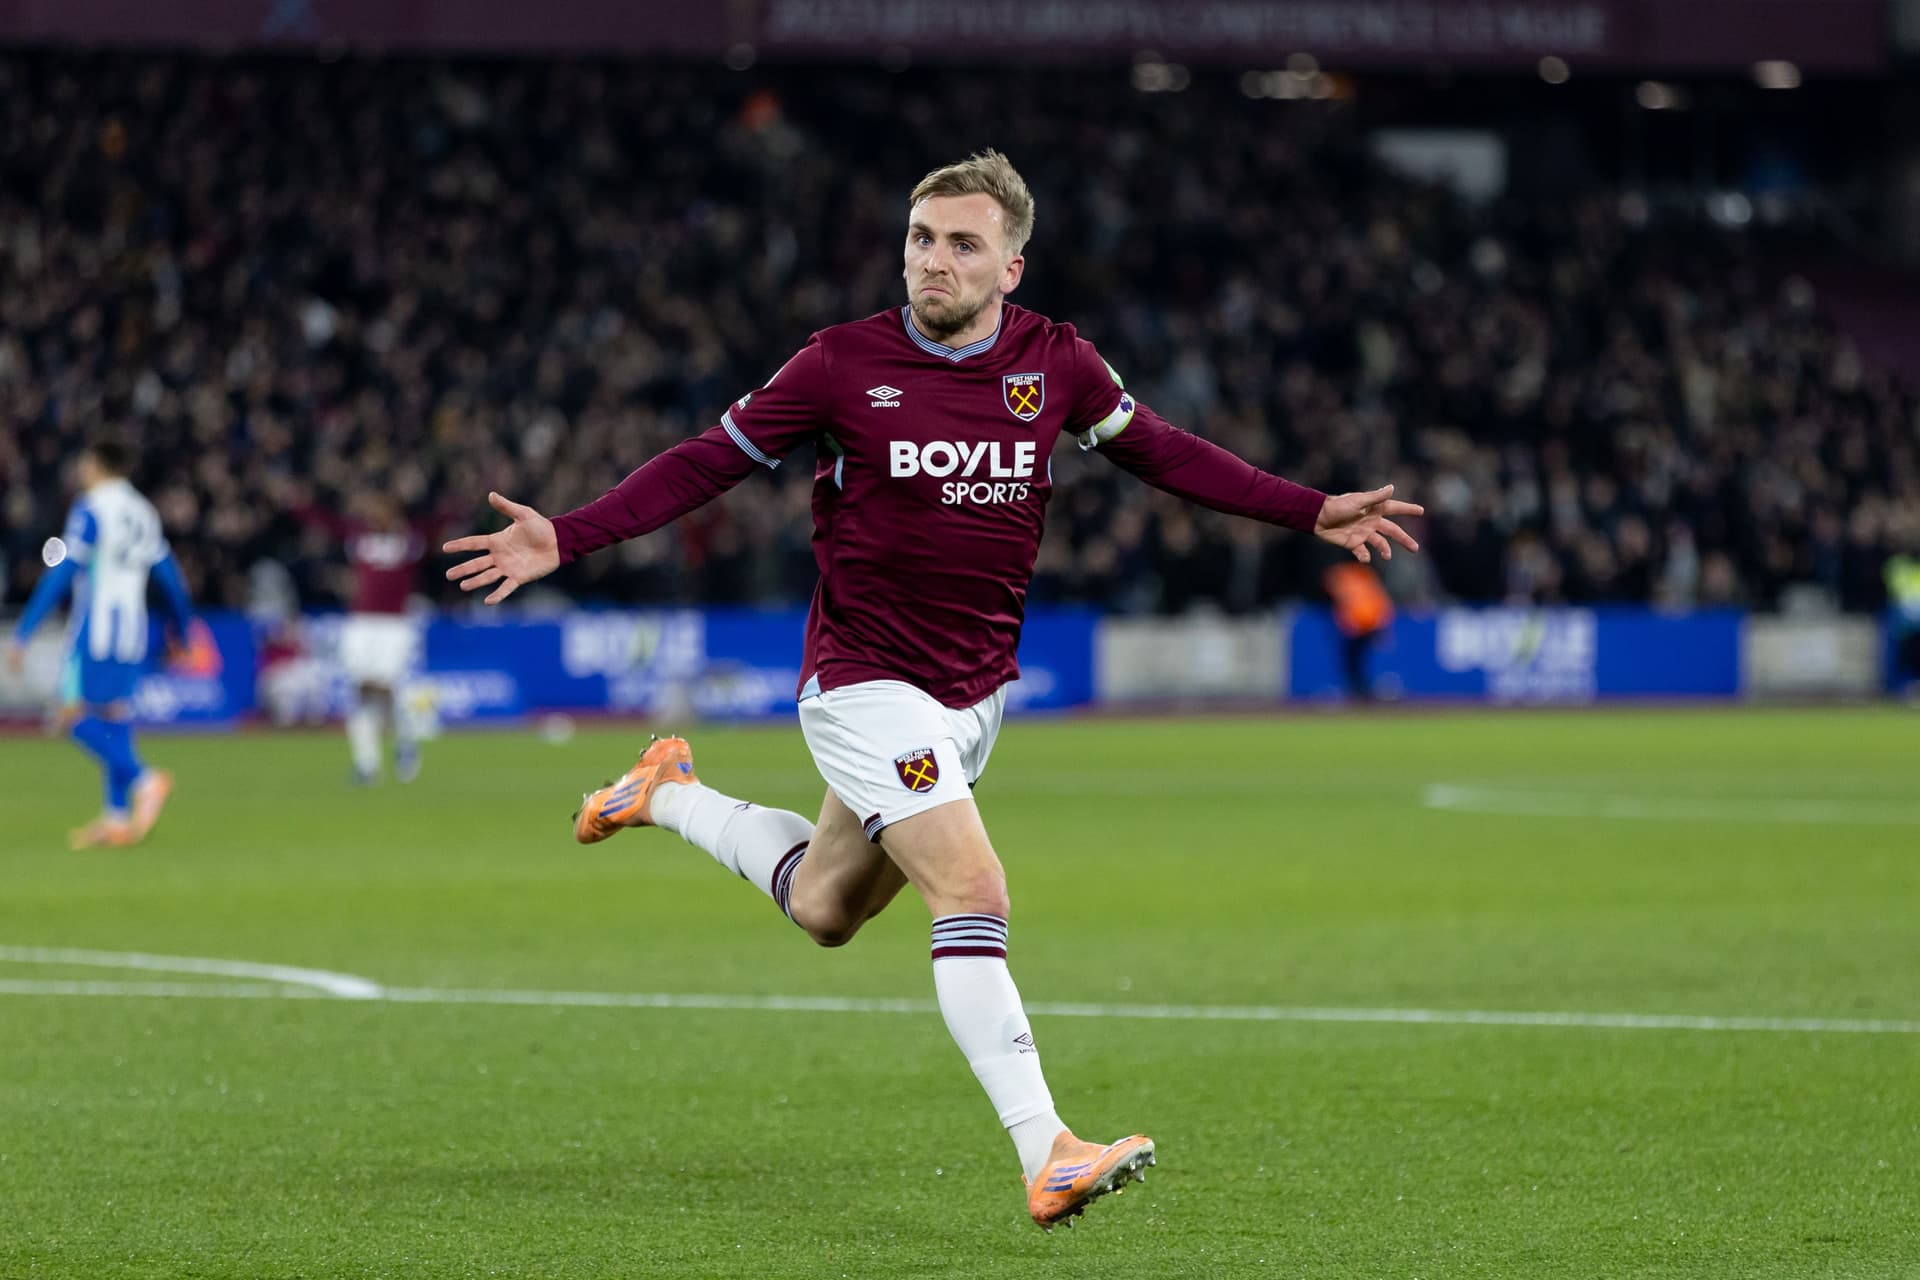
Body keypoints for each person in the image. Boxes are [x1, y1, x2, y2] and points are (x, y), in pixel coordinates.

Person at [444, 150, 1423, 1229]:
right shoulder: (836, 364)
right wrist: (568, 534)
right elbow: (704, 462)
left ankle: (663, 791)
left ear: (1012, 262)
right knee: (973, 892)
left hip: (970, 694)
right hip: (863, 682)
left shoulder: (1057, 362)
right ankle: (1046, 1147)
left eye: (962, 243)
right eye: (921, 239)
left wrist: (1307, 509)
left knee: (825, 906)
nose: (934, 261)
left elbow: (1164, 453)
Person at [5, 440, 202, 848]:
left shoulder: (92, 508)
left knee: (66, 716)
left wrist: (24, 631)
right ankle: (116, 819)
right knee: (113, 720)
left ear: (95, 465)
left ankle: (145, 780)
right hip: (132, 631)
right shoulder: (143, 511)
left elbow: (62, 571)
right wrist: (184, 631)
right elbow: (170, 576)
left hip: (95, 630)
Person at [287, 485, 447, 784]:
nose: (373, 515)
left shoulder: (409, 541)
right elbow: (326, 523)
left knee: (387, 689)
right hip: (361, 624)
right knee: (360, 691)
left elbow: (439, 523)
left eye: (379, 509)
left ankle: (404, 741)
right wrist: (296, 504)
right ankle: (367, 764)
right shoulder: (359, 538)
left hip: (394, 626)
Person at [1324, 559, 1395, 701]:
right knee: (1355, 662)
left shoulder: (1348, 577)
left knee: (1357, 662)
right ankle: (1360, 691)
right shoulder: (1360, 577)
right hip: (1361, 627)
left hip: (1362, 627)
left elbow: (1344, 602)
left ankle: (1362, 692)